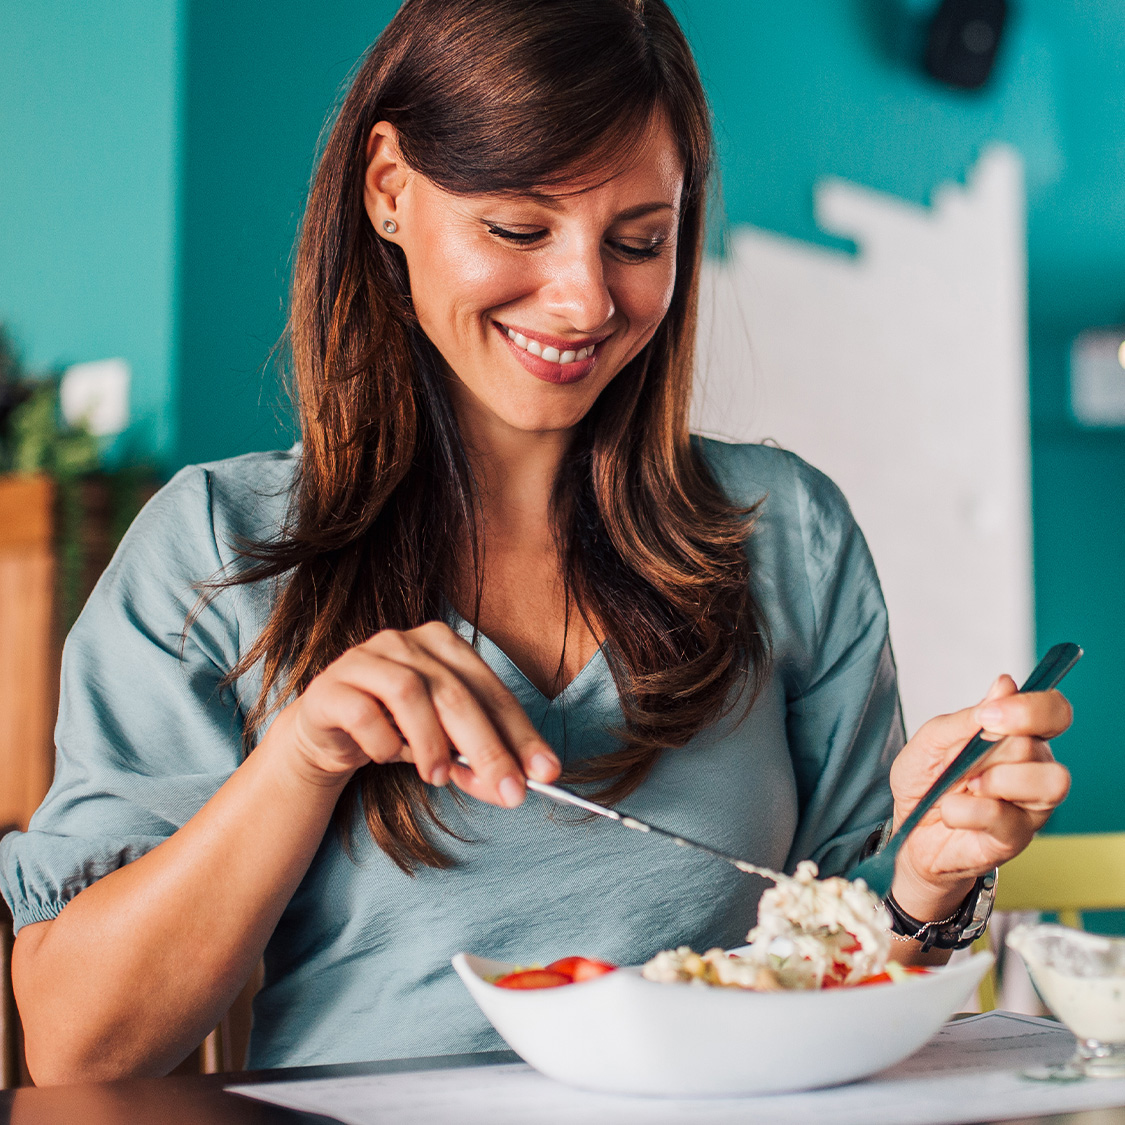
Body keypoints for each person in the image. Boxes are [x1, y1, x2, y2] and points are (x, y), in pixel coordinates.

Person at [1, 0, 1071, 1084]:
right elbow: (79, 1047)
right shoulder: (214, 549)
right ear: (388, 189)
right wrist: (301, 760)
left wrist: (929, 880)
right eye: (519, 230)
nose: (582, 300)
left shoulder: (787, 531)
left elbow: (846, 980)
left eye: (639, 241)